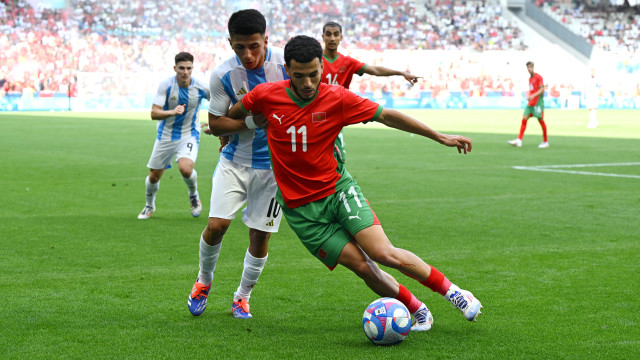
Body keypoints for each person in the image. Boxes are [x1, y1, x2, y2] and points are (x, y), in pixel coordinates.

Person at [212, 35, 483, 331]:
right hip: (301, 212)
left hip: (338, 191)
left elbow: (387, 116)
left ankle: (454, 292)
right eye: (299, 75)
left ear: (321, 69)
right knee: (363, 267)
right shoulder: (265, 94)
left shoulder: (337, 98)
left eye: (314, 74)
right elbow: (234, 113)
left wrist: (440, 137)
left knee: (383, 253)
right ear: (287, 70)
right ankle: (417, 309)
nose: (307, 83)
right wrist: (233, 131)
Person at [187, 9, 287, 319]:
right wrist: (254, 123)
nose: (248, 54)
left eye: (254, 46)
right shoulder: (222, 74)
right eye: (240, 47)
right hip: (235, 162)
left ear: (265, 39)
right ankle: (203, 281)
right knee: (217, 226)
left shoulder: (286, 65)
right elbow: (216, 125)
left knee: (260, 236)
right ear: (230, 42)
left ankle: (242, 296)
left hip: (274, 169)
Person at [321, 21, 421, 161]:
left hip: (338, 112)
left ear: (341, 37)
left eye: (336, 34)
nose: (332, 38)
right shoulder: (315, 61)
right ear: (323, 36)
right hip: (318, 111)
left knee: (338, 156)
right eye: (328, 34)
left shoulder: (347, 62)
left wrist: (400, 72)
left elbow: (374, 70)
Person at [138, 52, 210, 220]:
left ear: (193, 68)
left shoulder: (201, 86)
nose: (185, 72)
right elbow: (154, 113)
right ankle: (149, 205)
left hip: (189, 134)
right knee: (154, 176)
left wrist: (214, 124)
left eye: (189, 68)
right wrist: (173, 111)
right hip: (166, 135)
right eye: (181, 68)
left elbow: (218, 102)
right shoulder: (166, 85)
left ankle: (194, 196)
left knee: (186, 169)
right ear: (175, 68)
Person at [508, 61, 549, 148]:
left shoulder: (538, 77)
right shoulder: (529, 79)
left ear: (533, 67)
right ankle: (519, 140)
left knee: (541, 121)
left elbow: (542, 89)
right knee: (524, 119)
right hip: (531, 103)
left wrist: (533, 95)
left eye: (530, 67)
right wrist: (530, 96)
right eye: (528, 67)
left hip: (538, 103)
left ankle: (545, 142)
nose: (529, 69)